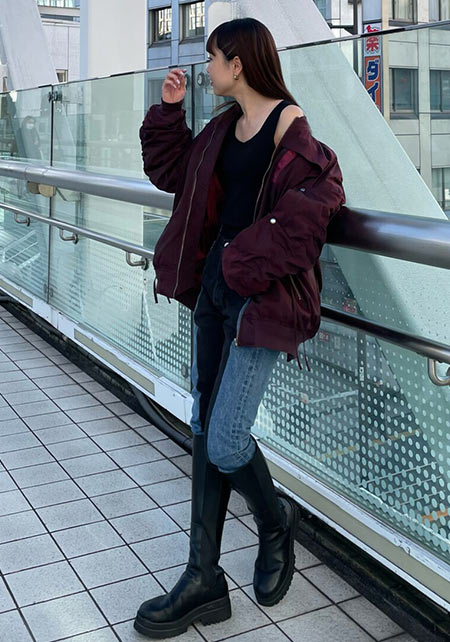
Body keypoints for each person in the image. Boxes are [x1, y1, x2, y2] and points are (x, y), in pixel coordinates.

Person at [135, 17, 345, 639]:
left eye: (213, 57)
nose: (206, 68)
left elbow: (311, 217)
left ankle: (276, 521)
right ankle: (203, 577)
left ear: (239, 64)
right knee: (204, 426)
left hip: (259, 301)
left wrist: (238, 258)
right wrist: (168, 114)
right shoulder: (224, 128)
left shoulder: (292, 131)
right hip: (215, 295)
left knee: (226, 439)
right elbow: (176, 176)